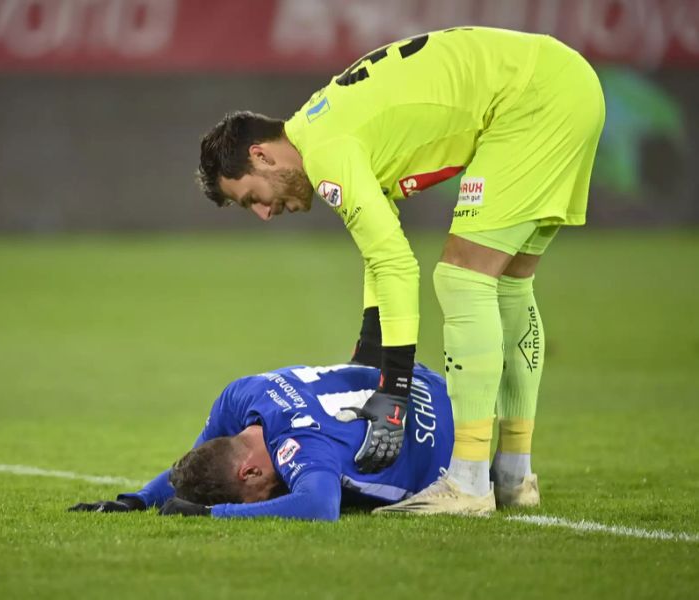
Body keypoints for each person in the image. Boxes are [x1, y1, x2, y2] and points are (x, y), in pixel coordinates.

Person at [195, 27, 605, 514]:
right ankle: (514, 474)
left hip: (533, 101)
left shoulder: (327, 154)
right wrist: (370, 357)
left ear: (261, 156)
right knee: (509, 287)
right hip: (563, 82)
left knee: (462, 278)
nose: (264, 213)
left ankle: (470, 484)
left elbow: (395, 264)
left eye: (252, 198)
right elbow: (380, 251)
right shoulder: (324, 126)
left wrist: (393, 394)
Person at [68, 362, 457, 520]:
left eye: (251, 496)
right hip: (414, 378)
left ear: (250, 471)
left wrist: (213, 515)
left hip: (455, 443)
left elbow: (320, 505)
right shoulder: (241, 396)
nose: (266, 499)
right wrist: (135, 500)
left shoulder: (303, 445)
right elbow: (200, 454)